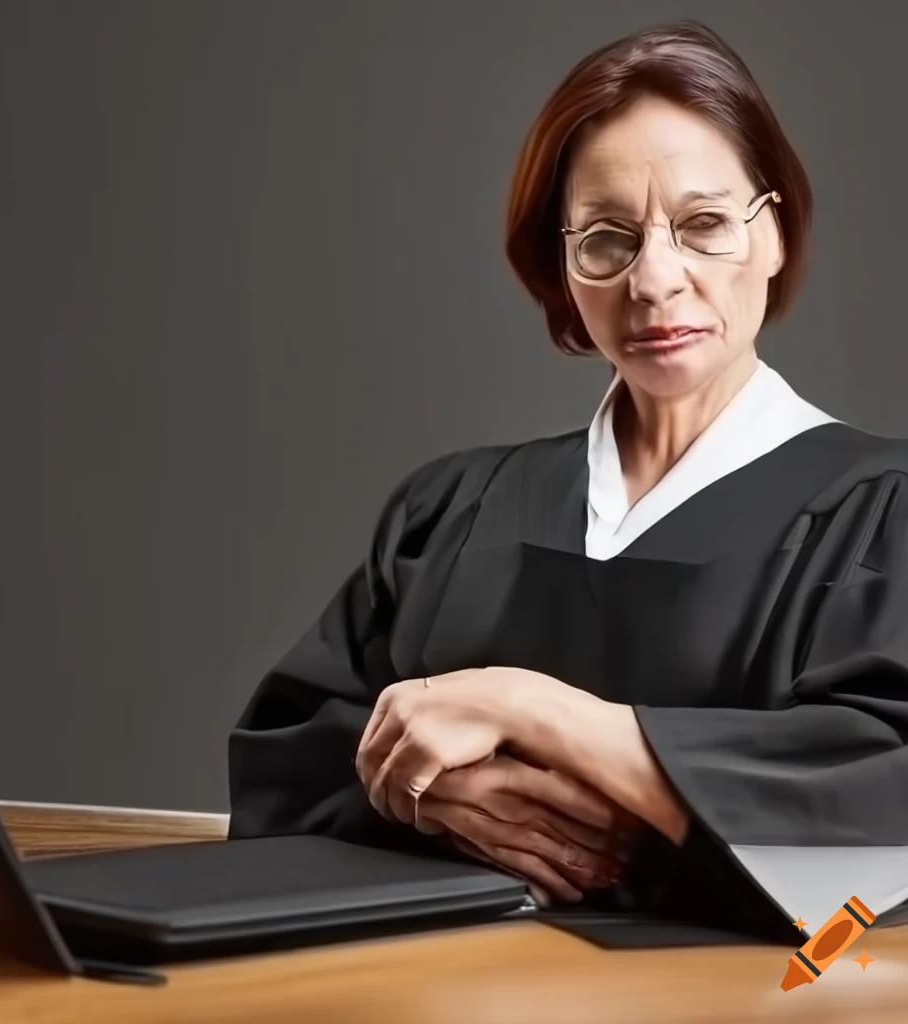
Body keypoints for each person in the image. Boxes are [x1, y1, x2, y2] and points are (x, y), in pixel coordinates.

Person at [227, 20, 908, 939]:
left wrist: (531, 708)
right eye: (605, 239)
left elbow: (880, 814)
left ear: (775, 234)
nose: (655, 280)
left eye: (704, 225)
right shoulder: (453, 512)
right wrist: (426, 798)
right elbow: (286, 768)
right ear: (561, 269)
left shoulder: (879, 514)